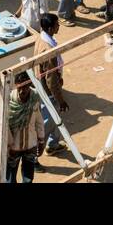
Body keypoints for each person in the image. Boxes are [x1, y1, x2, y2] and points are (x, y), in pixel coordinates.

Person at [33, 13, 68, 153]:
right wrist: (61, 100)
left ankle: (53, 144)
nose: (58, 26)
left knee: (56, 117)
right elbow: (51, 82)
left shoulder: (41, 38)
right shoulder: (48, 50)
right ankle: (34, 154)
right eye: (56, 24)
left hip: (41, 84)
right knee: (49, 121)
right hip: (48, 92)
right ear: (50, 28)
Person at [7, 72, 45, 184]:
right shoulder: (9, 99)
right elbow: (5, 126)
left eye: (25, 87)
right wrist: (8, 147)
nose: (22, 91)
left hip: (30, 145)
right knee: (9, 179)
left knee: (28, 179)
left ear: (29, 85)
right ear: (15, 86)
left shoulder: (35, 97)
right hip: (14, 147)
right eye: (20, 88)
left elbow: (39, 120)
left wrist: (41, 141)